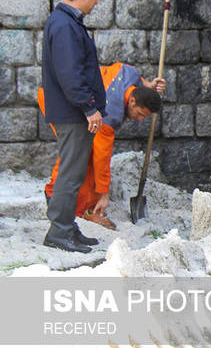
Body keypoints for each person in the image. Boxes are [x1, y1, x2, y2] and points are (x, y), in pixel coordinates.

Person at [38, 63, 165, 230]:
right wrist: (104, 194)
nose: (140, 119)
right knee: (78, 151)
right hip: (56, 99)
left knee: (82, 150)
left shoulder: (130, 73)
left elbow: (123, 71)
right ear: (132, 101)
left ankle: (85, 207)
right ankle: (59, 197)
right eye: (140, 114)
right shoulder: (108, 113)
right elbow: (101, 158)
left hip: (67, 92)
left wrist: (148, 85)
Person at [41, 0, 106, 254]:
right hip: (73, 113)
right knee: (70, 174)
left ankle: (66, 226)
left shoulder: (65, 22)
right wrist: (88, 107)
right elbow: (70, 73)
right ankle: (60, 230)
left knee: (74, 172)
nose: (96, 2)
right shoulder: (65, 25)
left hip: (71, 111)